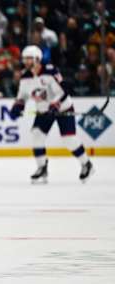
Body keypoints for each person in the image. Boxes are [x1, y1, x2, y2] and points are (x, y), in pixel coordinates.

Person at [10, 45, 94, 183]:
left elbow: (64, 90)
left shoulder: (50, 71)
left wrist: (55, 105)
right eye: (24, 59)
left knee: (69, 139)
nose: (26, 62)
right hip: (44, 111)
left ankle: (86, 164)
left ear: (37, 59)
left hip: (63, 108)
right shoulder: (25, 77)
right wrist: (17, 106)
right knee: (37, 135)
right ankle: (42, 168)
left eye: (29, 59)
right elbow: (22, 96)